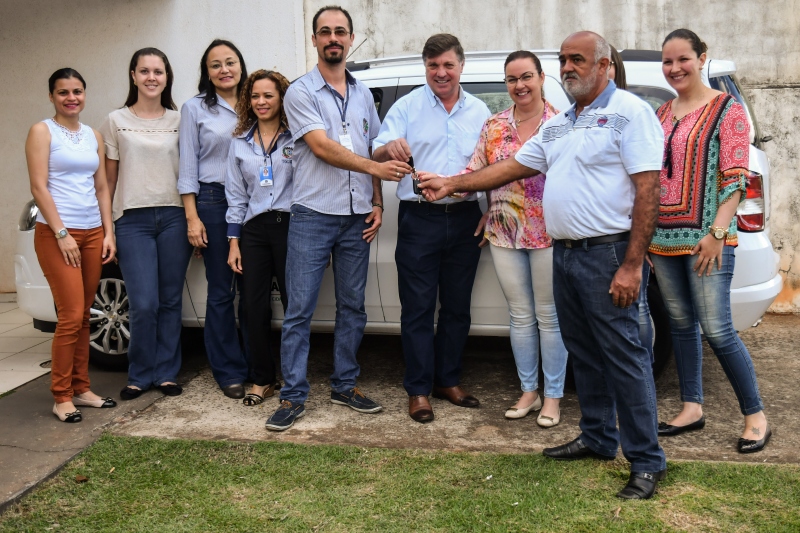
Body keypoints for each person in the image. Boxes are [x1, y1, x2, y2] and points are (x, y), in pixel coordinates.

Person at [420, 31, 667, 499]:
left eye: (578, 59)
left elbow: (648, 190)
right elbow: (513, 167)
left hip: (608, 255)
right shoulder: (561, 124)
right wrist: (452, 184)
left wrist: (633, 264)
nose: (568, 67)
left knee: (626, 358)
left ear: (605, 66)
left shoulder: (630, 113)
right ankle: (597, 437)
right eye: (563, 59)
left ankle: (647, 461)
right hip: (565, 254)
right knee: (585, 354)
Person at [266, 5, 411, 431]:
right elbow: (322, 146)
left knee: (352, 307)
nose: (334, 38)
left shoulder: (364, 94)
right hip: (313, 214)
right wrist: (375, 166)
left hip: (356, 217)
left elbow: (371, 147)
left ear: (350, 39)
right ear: (314, 40)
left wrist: (378, 200)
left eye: (341, 31)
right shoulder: (300, 92)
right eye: (325, 31)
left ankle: (344, 385)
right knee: (299, 311)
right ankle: (293, 396)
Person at [650, 29, 771, 453]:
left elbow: (735, 177)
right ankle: (691, 407)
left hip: (708, 240)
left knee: (718, 330)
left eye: (683, 59)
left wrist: (718, 233)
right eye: (668, 62)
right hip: (663, 240)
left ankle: (756, 416)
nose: (675, 68)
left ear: (702, 58)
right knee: (681, 326)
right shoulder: (662, 113)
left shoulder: (727, 109)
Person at [372, 34, 491, 423]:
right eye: (433, 65)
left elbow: (492, 165)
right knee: (418, 309)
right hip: (419, 219)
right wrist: (388, 148)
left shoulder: (479, 111)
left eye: (448, 65)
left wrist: (489, 209)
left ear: (461, 66)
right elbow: (376, 151)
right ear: (425, 67)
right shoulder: (407, 106)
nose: (441, 73)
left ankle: (447, 380)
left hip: (465, 217)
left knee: (457, 308)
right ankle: (419, 390)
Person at [462, 51, 567, 426]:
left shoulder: (561, 124)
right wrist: (442, 185)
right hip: (504, 233)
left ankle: (553, 397)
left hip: (550, 233)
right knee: (520, 316)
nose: (519, 85)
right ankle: (528, 392)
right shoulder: (494, 125)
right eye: (511, 79)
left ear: (541, 78)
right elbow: (475, 172)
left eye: (526, 77)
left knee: (550, 317)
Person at [26, 68, 117, 422]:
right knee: (70, 316)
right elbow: (39, 187)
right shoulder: (42, 131)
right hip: (57, 234)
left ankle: (81, 388)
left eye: (77, 91)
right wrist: (62, 233)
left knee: (83, 316)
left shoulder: (93, 135)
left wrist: (108, 232)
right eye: (63, 92)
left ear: (84, 94)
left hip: (93, 232)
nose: (71, 98)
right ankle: (61, 395)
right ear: (51, 96)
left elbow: (101, 188)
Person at [100, 48, 191, 401]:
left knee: (170, 301)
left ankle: (166, 374)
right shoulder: (115, 120)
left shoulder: (180, 120)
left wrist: (193, 220)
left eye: (158, 71)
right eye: (144, 71)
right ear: (133, 76)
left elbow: (190, 173)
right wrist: (109, 229)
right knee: (143, 303)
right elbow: (108, 182)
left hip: (174, 217)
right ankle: (138, 375)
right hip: (131, 220)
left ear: (167, 78)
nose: (152, 77)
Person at [178, 39, 251, 399]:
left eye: (230, 62)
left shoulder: (256, 102)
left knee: (253, 290)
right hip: (213, 201)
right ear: (206, 72)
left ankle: (258, 366)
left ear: (241, 65)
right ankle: (228, 371)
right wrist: (192, 218)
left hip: (256, 203)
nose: (224, 70)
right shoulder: (195, 109)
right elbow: (187, 168)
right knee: (222, 290)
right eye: (216, 65)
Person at [225, 70, 293, 406]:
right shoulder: (239, 142)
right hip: (253, 230)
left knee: (295, 305)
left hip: (290, 226)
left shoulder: (297, 138)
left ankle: (294, 381)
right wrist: (233, 241)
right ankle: (263, 379)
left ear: (282, 98)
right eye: (255, 96)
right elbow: (236, 196)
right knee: (253, 307)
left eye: (268, 95)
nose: (261, 102)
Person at [608, 45, 655, 362]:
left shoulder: (634, 113)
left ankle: (643, 375)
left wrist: (643, 244)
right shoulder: (581, 116)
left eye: (608, 64)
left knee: (637, 313)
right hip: (602, 238)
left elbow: (649, 186)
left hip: (628, 234)